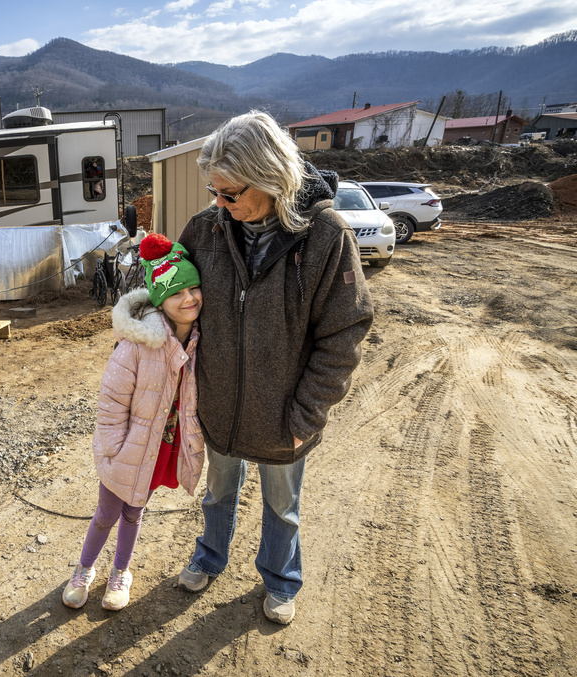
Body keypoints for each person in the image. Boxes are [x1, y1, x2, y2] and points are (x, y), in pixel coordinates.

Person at [175, 111, 374, 624]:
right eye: (214, 191)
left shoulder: (326, 236)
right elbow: (171, 299)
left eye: (230, 193)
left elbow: (345, 332)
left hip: (286, 416)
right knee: (218, 493)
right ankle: (209, 557)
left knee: (283, 506)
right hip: (219, 405)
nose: (218, 204)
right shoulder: (205, 230)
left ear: (269, 179)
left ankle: (281, 580)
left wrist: (306, 415)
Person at [62, 233, 206, 611]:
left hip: (163, 444)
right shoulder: (139, 343)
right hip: (128, 447)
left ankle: (120, 572)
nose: (188, 299)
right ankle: (84, 568)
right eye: (177, 293)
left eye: (193, 288)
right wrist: (112, 449)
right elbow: (111, 402)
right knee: (107, 512)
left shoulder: (200, 340)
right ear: (160, 299)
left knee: (134, 511)